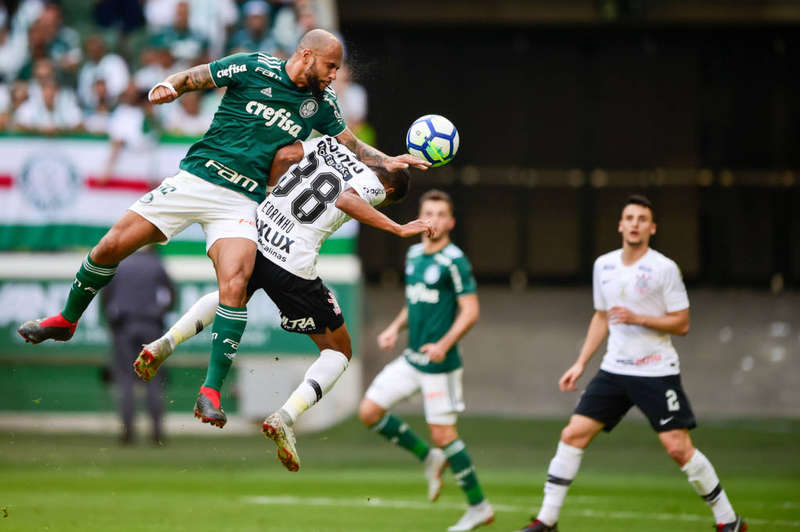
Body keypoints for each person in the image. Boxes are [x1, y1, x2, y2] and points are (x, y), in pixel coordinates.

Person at [17, 29, 429, 429]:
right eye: (330, 66)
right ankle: (67, 320)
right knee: (110, 246)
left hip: (239, 200)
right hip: (195, 179)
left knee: (235, 284)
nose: (334, 75)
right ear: (306, 55)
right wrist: (171, 87)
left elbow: (352, 144)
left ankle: (210, 392)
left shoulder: (321, 103)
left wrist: (390, 159)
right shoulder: (251, 66)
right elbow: (195, 77)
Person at [132, 134, 434, 471]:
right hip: (292, 263)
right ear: (389, 192)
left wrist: (270, 191)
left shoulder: (331, 145)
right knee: (339, 350)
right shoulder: (376, 183)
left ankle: (165, 341)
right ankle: (285, 417)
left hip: (259, 232)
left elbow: (286, 154)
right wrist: (398, 228)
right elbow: (348, 200)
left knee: (233, 297)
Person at [515, 195, 747, 532]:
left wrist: (639, 317)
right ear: (620, 225)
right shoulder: (604, 265)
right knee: (573, 435)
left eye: (642, 219)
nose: (635, 223)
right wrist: (580, 363)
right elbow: (601, 317)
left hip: (655, 371)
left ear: (652, 228)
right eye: (629, 217)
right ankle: (547, 520)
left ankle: (729, 521)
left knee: (678, 448)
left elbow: (682, 323)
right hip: (614, 370)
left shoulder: (664, 268)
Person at [358, 190, 493, 532]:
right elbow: (414, 302)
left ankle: (478, 507)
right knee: (369, 411)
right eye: (427, 212)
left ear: (451, 222)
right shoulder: (415, 254)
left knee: (444, 434)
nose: (433, 218)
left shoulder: (454, 261)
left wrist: (445, 344)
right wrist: (393, 328)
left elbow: (471, 311)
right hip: (411, 359)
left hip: (439, 366)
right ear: (420, 217)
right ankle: (429, 459)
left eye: (440, 213)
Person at [101, 247, 174, 445]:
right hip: (151, 326)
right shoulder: (155, 263)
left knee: (125, 380)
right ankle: (157, 432)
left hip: (123, 325)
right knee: (153, 380)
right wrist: (160, 313)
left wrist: (111, 322)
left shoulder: (119, 263)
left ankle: (127, 431)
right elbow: (172, 294)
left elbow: (106, 297)